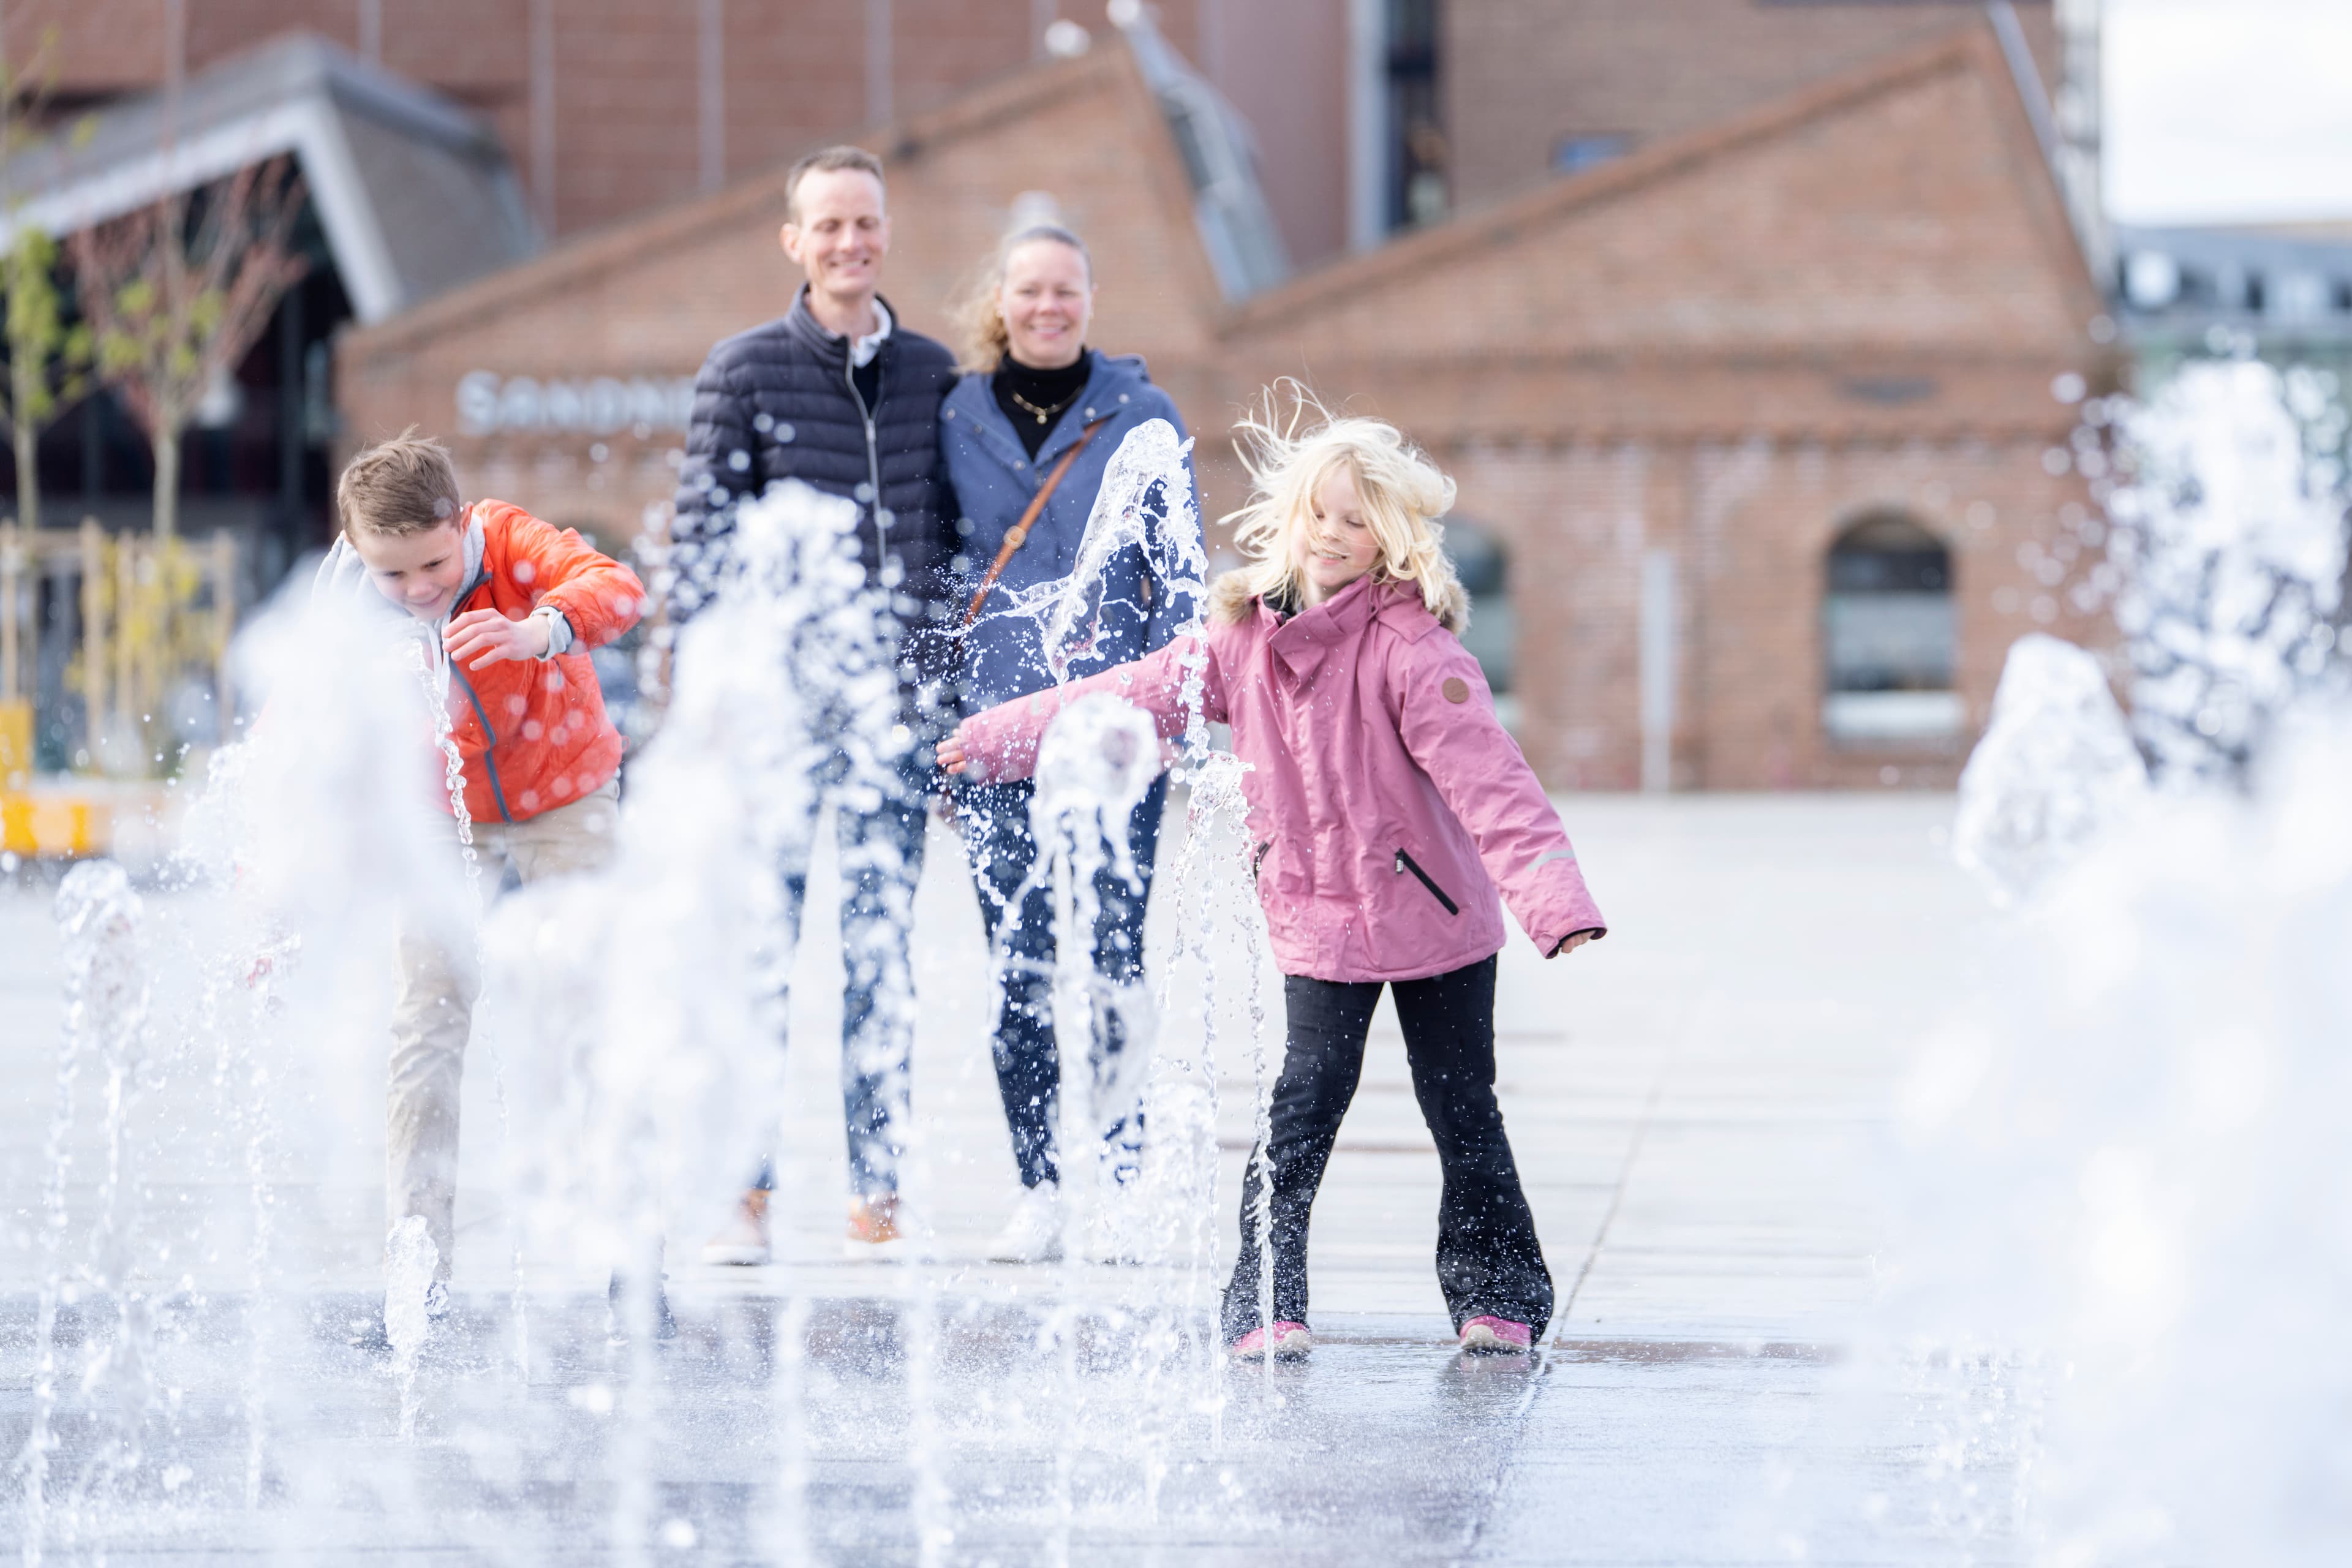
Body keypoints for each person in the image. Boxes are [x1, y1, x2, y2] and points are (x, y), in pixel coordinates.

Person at [940, 393, 1606, 1356]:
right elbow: (1127, 695)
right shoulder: (1239, 640)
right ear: (1289, 517)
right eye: (1319, 514)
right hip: (1321, 917)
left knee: (1462, 1107)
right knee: (1302, 1109)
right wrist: (1002, 739)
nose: (1332, 535)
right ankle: (1263, 1301)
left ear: (1390, 542)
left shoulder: (1418, 654)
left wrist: (1556, 905)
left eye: (1356, 522)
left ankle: (1496, 1292)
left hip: (1436, 920)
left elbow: (1496, 786)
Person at [669, 146, 960, 1262]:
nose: (850, 242)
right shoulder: (741, 371)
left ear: (885, 234)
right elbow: (699, 547)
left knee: (880, 959)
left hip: (892, 724)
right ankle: (742, 1193)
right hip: (774, 730)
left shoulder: (935, 374)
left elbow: (951, 546)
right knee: (759, 958)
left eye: (866, 224)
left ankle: (877, 1195)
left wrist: (942, 697)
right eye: (827, 225)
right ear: (792, 240)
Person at [314, 431, 646, 1312]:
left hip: (565, 800)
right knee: (424, 1031)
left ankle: (631, 1260)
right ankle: (417, 1277)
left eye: (431, 564)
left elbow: (618, 588)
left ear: (456, 524)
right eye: (395, 577)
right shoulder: (347, 595)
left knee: (593, 1018)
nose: (419, 590)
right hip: (442, 820)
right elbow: (296, 734)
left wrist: (540, 628)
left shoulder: (504, 540)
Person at [940, 224, 1199, 1262]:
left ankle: (1127, 1179)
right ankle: (1040, 1187)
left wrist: (1176, 706)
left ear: (1091, 298)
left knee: (1112, 958)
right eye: (1031, 291)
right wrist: (937, 725)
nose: (1049, 307)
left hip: (1112, 733)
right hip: (996, 735)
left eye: (1067, 291)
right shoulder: (955, 413)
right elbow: (936, 563)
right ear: (1001, 301)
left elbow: (1179, 569)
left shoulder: (1143, 413)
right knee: (1019, 964)